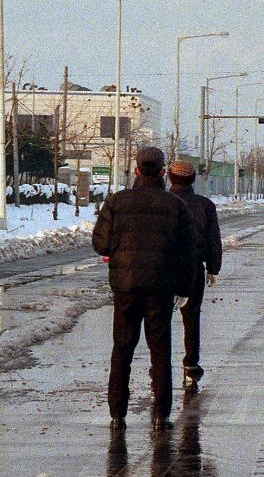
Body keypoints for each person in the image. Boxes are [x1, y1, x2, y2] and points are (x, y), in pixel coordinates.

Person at [93, 146, 196, 431]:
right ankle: (162, 413)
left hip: (125, 288)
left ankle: (117, 413)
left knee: (122, 348)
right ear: (163, 173)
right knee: (160, 350)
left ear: (136, 170)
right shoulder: (176, 206)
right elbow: (188, 252)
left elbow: (100, 244)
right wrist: (184, 289)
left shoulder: (117, 201)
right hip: (161, 288)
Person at [167, 160, 222, 391]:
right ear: (192, 180)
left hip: (162, 267)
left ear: (170, 178)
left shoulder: (161, 202)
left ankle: (157, 366)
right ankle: (191, 363)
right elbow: (213, 239)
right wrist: (212, 267)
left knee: (159, 319)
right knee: (191, 316)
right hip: (193, 268)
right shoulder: (204, 205)